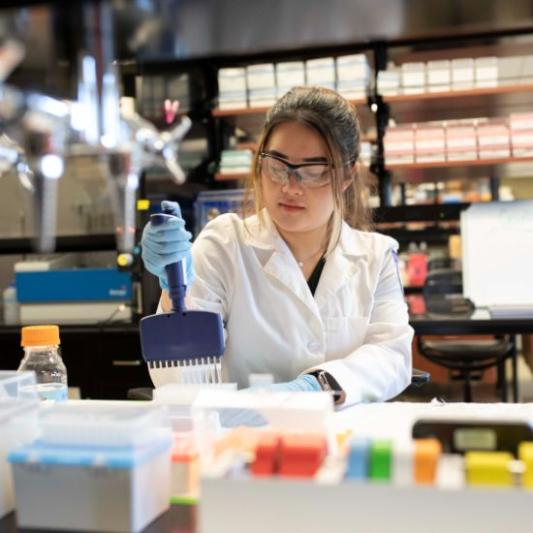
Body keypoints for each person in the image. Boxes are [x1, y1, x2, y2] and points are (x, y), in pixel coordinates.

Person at [141, 86, 413, 407]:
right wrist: (174, 291)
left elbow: (391, 356)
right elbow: (179, 382)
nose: (290, 186)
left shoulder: (375, 257)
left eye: (313, 171)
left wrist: (318, 387)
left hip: (343, 441)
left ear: (346, 177)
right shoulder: (224, 245)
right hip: (245, 439)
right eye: (277, 165)